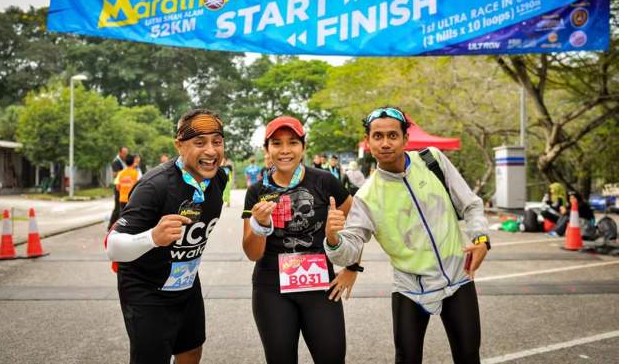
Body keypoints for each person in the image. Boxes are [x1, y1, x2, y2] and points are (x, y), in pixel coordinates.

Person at [325, 106, 489, 364]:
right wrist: (333, 239)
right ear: (368, 142)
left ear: (405, 139)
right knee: (407, 358)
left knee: (468, 357)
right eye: (378, 136)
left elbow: (471, 204)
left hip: (458, 279)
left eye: (393, 135)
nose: (385, 143)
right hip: (410, 289)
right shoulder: (366, 196)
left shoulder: (432, 160)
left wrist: (481, 239)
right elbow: (350, 248)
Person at [105, 109, 228, 364]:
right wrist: (152, 237)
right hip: (146, 288)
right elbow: (113, 246)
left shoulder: (219, 178)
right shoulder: (155, 185)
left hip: (186, 281)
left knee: (191, 351)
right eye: (199, 143)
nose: (211, 151)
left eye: (217, 142)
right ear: (179, 145)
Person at [241, 115, 360, 364]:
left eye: (293, 142)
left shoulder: (325, 181)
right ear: (267, 149)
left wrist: (352, 267)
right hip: (271, 287)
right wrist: (261, 225)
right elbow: (252, 253)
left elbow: (358, 224)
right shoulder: (257, 191)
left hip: (319, 284)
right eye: (277, 143)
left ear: (303, 147)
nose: (285, 150)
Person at [108, 146, 129, 230]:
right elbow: (115, 174)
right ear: (120, 153)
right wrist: (126, 172)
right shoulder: (116, 161)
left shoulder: (124, 161)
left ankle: (118, 226)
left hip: (125, 188)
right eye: (124, 153)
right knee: (117, 208)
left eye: (126, 153)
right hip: (118, 187)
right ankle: (110, 226)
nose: (125, 155)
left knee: (123, 208)